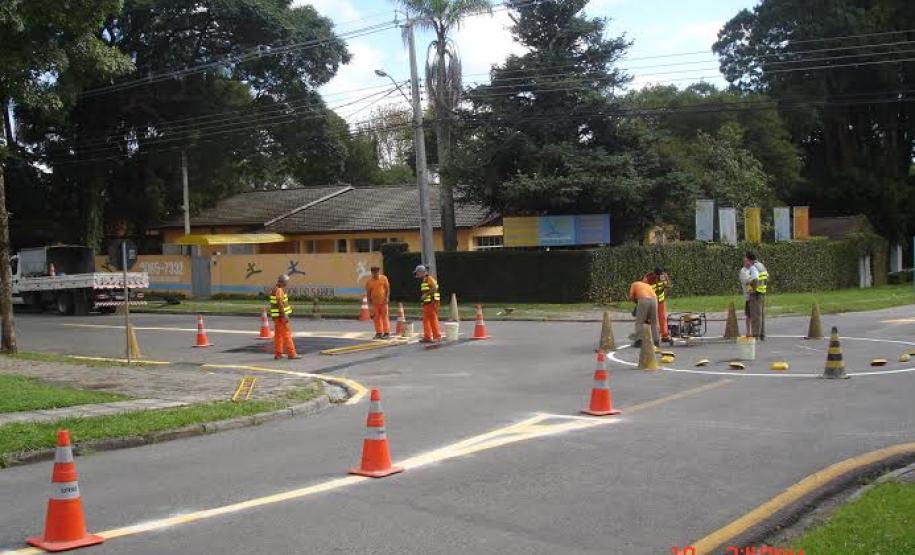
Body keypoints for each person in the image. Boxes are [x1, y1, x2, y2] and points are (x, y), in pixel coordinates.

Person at [269, 274, 300, 360]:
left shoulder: (275, 288)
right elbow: (280, 303)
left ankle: (278, 354)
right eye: (286, 282)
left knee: (278, 336)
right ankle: (292, 354)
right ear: (283, 282)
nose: (287, 284)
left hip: (276, 317)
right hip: (280, 317)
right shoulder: (279, 290)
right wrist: (284, 315)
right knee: (287, 335)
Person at [642, 267, 672, 341]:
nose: (659, 277)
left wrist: (665, 293)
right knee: (648, 319)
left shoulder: (664, 276)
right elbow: (643, 290)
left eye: (660, 275)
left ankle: (664, 336)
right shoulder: (648, 279)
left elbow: (668, 287)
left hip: (660, 300)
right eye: (658, 275)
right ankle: (648, 336)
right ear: (654, 274)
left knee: (662, 318)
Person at [628, 278, 660, 347]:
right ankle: (656, 341)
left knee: (639, 322)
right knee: (654, 322)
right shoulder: (647, 285)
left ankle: (639, 341)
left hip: (643, 299)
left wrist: (636, 302)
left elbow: (631, 297)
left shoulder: (634, 284)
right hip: (654, 299)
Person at [414, 264, 441, 343]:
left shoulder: (429, 278)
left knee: (433, 319)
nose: (417, 275)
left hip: (432, 302)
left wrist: (426, 294)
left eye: (417, 273)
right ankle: (427, 336)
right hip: (427, 303)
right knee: (426, 320)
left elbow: (435, 288)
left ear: (422, 272)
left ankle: (437, 336)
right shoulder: (425, 280)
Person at [744, 252, 769, 340]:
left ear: (748, 259)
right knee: (761, 315)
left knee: (755, 316)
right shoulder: (761, 265)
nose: (744, 260)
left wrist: (753, 290)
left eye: (745, 258)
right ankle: (762, 334)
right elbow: (766, 277)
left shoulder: (753, 268)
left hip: (756, 294)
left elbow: (755, 280)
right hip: (762, 292)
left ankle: (755, 335)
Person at [365, 266, 391, 339]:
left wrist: (387, 298)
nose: (375, 274)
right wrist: (369, 304)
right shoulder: (369, 282)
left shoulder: (384, 278)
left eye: (377, 272)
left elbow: (387, 289)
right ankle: (379, 333)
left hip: (383, 302)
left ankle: (386, 333)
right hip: (374, 303)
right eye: (374, 273)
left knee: (385, 317)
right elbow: (368, 293)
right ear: (372, 273)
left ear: (378, 272)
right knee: (376, 318)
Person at [738, 264, 752, 337]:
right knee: (749, 315)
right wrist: (754, 279)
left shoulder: (754, 268)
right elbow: (745, 281)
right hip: (748, 296)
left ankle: (757, 331)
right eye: (746, 261)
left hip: (756, 295)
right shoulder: (743, 271)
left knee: (757, 315)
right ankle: (748, 332)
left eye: (748, 261)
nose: (747, 263)